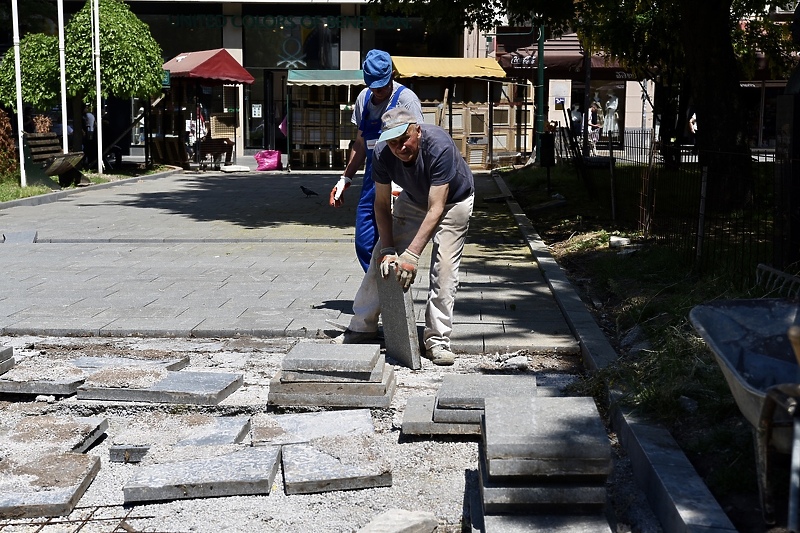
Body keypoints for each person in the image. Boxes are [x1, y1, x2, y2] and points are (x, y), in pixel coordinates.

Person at [334, 107, 475, 367]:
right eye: (393, 143)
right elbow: (381, 203)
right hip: (413, 198)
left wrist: (411, 254)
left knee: (444, 269)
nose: (399, 148)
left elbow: (436, 208)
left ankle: (437, 341)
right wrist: (388, 247)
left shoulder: (439, 146)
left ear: (417, 130)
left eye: (404, 140)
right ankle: (361, 327)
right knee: (381, 258)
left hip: (454, 201)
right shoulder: (382, 153)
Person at [329, 49, 424, 272]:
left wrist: (406, 183)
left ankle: (392, 294)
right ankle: (376, 288)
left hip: (401, 179)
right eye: (373, 85)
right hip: (373, 179)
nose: (378, 91)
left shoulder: (406, 100)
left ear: (392, 75)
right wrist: (345, 179)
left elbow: (419, 143)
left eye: (382, 84)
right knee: (364, 240)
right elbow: (361, 143)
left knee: (392, 243)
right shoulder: (364, 99)